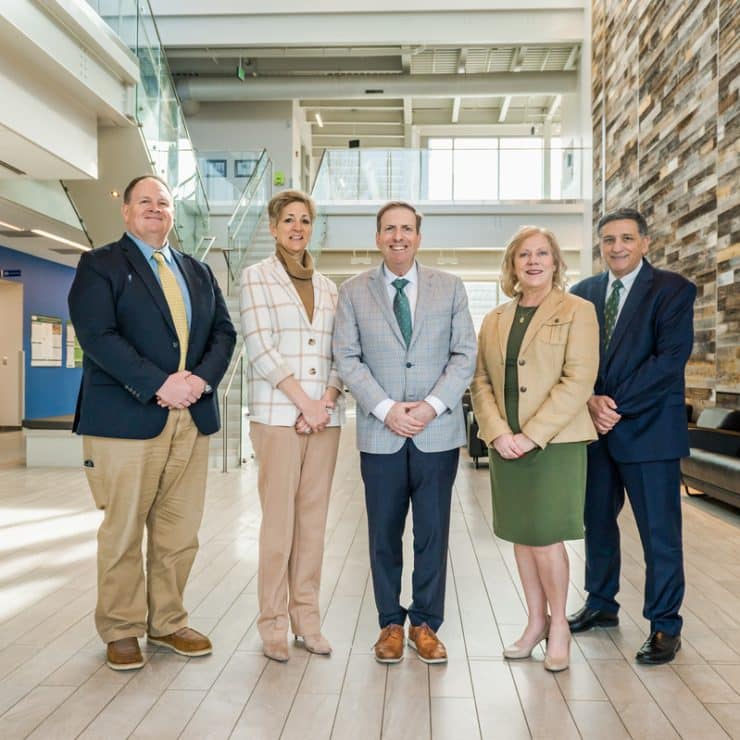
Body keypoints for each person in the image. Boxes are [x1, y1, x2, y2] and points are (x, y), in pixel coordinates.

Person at [68, 175, 236, 671]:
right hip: (127, 417)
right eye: (145, 201)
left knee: (179, 531)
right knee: (123, 530)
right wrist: (162, 383)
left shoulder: (198, 271)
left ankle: (167, 621)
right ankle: (121, 628)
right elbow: (98, 336)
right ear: (125, 210)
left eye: (163, 202)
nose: (156, 209)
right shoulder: (99, 265)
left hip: (192, 417)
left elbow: (225, 333)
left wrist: (199, 382)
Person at [333, 201, 476, 664]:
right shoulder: (353, 291)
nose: (398, 236)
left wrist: (431, 407)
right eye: (389, 229)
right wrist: (387, 408)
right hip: (381, 433)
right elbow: (347, 358)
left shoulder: (450, 288)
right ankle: (390, 623)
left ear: (419, 236)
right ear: (378, 237)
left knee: (433, 533)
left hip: (437, 434)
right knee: (383, 534)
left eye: (407, 229)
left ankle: (427, 625)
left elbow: (463, 356)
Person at [567, 208, 696, 665]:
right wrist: (587, 401)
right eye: (607, 240)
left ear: (644, 242)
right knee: (597, 523)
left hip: (649, 432)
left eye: (625, 238)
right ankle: (601, 604)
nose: (616, 247)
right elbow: (573, 360)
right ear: (599, 246)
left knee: (659, 533)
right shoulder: (581, 294)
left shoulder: (673, 290)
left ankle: (665, 625)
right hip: (593, 432)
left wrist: (610, 405)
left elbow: (669, 360)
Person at [471, 226, 599, 672]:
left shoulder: (578, 311)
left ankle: (559, 625)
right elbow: (481, 381)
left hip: (554, 443)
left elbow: (578, 380)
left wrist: (531, 434)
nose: (533, 261)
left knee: (546, 537)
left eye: (542, 253)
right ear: (512, 265)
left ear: (555, 262)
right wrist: (498, 433)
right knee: (522, 537)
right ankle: (534, 623)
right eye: (523, 254)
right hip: (506, 443)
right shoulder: (494, 319)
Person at [240, 190, 344, 663]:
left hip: (325, 417)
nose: (297, 227)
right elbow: (261, 349)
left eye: (305, 220)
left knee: (313, 525)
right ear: (273, 227)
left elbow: (344, 350)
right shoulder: (256, 278)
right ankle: (273, 625)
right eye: (289, 220)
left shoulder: (328, 286)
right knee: (278, 526)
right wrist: (304, 402)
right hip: (278, 417)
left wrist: (327, 399)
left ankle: (308, 620)